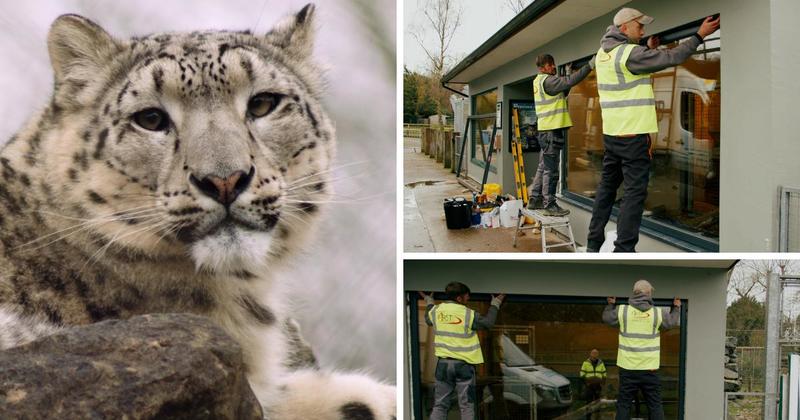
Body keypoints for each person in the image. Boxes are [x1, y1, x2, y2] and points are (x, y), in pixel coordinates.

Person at [586, 8, 720, 252]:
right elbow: (671, 58)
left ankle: (594, 242)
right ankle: (623, 250)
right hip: (634, 136)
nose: (643, 30)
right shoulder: (629, 54)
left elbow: (629, 68)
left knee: (606, 190)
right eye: (640, 26)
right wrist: (699, 36)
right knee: (634, 195)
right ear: (624, 28)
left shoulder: (604, 54)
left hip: (613, 136)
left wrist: (647, 47)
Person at [419, 283, 505, 420]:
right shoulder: (468, 314)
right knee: (467, 406)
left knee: (440, 405)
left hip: (443, 365)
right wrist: (496, 303)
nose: (468, 298)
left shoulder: (436, 311)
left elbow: (428, 320)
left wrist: (429, 301)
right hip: (463, 366)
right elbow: (488, 323)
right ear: (459, 299)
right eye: (467, 296)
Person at [603, 280, 681, 420]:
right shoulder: (657, 313)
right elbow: (671, 322)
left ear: (634, 293)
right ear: (649, 293)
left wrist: (610, 305)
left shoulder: (623, 311)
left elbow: (607, 318)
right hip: (649, 369)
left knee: (624, 405)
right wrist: (676, 308)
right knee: (655, 405)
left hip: (628, 369)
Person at [527, 54, 594, 216]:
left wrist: (568, 73)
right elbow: (568, 82)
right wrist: (589, 66)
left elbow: (563, 89)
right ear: (543, 67)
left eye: (553, 64)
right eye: (550, 65)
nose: (553, 67)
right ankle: (549, 204)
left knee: (543, 166)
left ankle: (535, 199)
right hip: (551, 131)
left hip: (546, 130)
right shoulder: (548, 81)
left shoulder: (539, 81)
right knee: (551, 170)